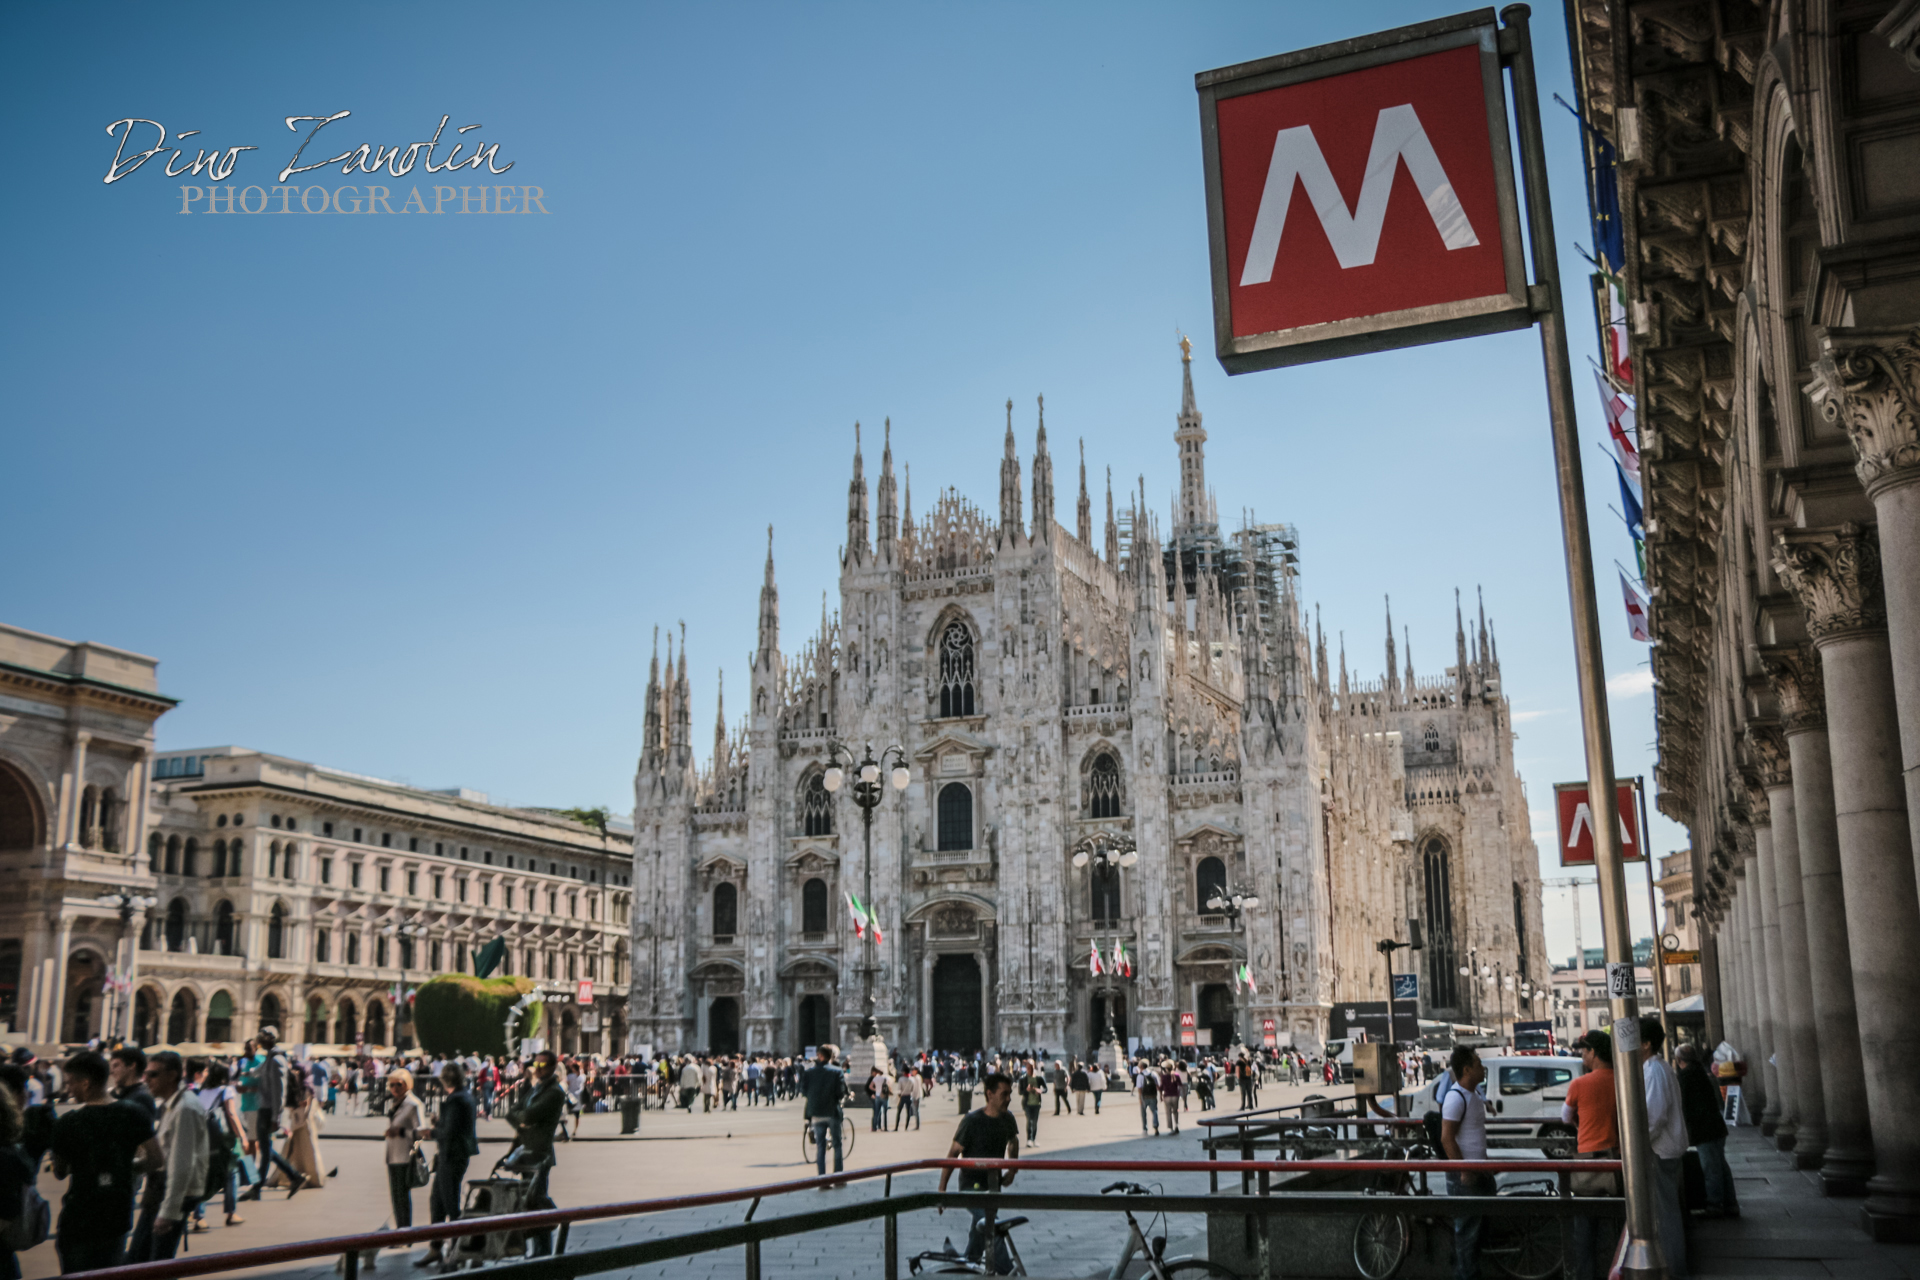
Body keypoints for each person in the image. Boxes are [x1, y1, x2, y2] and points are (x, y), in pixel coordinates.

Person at [50, 1052, 161, 1275]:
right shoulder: (133, 1112)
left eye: (71, 1082)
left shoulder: (69, 1122)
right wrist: (124, 1168)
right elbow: (155, 1158)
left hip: (79, 1217)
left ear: (86, 1083)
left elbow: (60, 1172)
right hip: (116, 1215)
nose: (69, 1089)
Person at [129, 1051, 209, 1263]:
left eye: (153, 1075)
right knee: (142, 1260)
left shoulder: (185, 1108)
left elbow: (181, 1164)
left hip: (169, 1194)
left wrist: (169, 1211)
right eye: (146, 1074)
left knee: (154, 1262)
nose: (146, 1080)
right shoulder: (170, 1105)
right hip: (158, 1190)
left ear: (173, 1075)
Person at [937, 1072, 1020, 1275]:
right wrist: (942, 1190)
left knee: (978, 1237)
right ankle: (1008, 1272)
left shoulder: (1008, 1118)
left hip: (993, 1187)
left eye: (1010, 1094)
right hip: (971, 1187)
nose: (1008, 1099)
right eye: (1004, 1094)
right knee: (992, 1225)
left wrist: (1012, 1169)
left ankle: (962, 1265)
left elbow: (1014, 1141)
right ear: (989, 1094)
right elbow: (953, 1154)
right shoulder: (971, 1121)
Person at [1561, 1031, 1620, 1280]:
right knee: (1619, 1224)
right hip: (1616, 1161)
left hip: (1586, 1162)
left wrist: (1580, 1121)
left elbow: (1565, 1116)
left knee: (1584, 1231)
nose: (1581, 1054)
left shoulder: (1579, 1084)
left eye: (1583, 1050)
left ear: (1593, 1052)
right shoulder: (1621, 1080)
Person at [1638, 1017, 1689, 1279]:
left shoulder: (1654, 1071)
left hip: (1660, 1150)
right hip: (1665, 1148)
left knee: (1666, 1215)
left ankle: (1674, 1269)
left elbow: (1654, 1116)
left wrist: (1638, 1144)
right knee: (1667, 1212)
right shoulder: (1657, 1069)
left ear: (1646, 1044)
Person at [417, 1062, 480, 1269]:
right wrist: (440, 1123)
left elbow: (449, 1132)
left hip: (451, 1156)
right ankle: (436, 1248)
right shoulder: (466, 1096)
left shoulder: (455, 1100)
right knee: (437, 1201)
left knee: (450, 1204)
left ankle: (457, 1250)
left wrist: (430, 1132)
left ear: (445, 1080)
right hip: (455, 1155)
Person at [1438, 1046, 1490, 1280]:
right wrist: (1464, 1170)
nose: (1483, 1068)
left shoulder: (1474, 1092)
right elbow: (1447, 1137)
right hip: (1465, 1175)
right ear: (1467, 1069)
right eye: (1478, 1064)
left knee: (1475, 1230)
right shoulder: (1455, 1097)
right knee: (1467, 1231)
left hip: (1478, 1170)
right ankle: (1465, 1275)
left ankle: (1471, 1271)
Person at [238, 1028, 308, 1201]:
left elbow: (280, 1092)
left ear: (271, 1039)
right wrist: (243, 1074)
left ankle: (258, 1186)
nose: (260, 1042)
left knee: (265, 1150)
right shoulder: (270, 1057)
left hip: (268, 1109)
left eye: (262, 1039)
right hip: (263, 1107)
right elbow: (258, 1071)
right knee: (266, 1149)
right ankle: (294, 1177)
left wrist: (276, 1118)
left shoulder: (277, 1060)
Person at [511, 1051, 568, 1256]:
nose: (538, 1068)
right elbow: (512, 1112)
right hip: (525, 1152)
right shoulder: (536, 1089)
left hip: (540, 1154)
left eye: (543, 1064)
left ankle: (543, 1250)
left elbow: (528, 1114)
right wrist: (523, 1120)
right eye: (536, 1064)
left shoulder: (554, 1092)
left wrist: (524, 1119)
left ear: (553, 1067)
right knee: (530, 1203)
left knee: (537, 1202)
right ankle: (537, 1249)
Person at [1676, 1043, 1735, 1218]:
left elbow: (1684, 1105)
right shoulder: (1701, 1072)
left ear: (1680, 1060)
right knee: (1721, 1166)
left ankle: (1715, 1205)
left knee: (1711, 1169)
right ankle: (1731, 1204)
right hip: (1716, 1126)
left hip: (1704, 1129)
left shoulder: (1685, 1076)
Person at [190, 1061, 247, 1232]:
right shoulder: (226, 1090)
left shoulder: (201, 1091)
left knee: (205, 1174)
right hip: (223, 1137)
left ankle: (199, 1217)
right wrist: (242, 1136)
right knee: (231, 1173)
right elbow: (231, 1114)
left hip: (204, 1136)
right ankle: (231, 1213)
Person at [383, 1068, 424, 1231]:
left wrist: (401, 1132)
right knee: (396, 1197)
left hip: (405, 1156)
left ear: (407, 1084)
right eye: (391, 1085)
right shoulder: (396, 1103)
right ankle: (401, 1230)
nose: (394, 1088)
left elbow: (420, 1132)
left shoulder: (413, 1104)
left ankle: (404, 1233)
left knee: (402, 1197)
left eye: (399, 1085)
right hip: (392, 1156)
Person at [801, 1045, 847, 1182]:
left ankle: (822, 1179)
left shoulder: (809, 1072)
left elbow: (804, 1092)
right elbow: (840, 1092)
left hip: (815, 1113)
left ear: (820, 1056)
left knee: (820, 1146)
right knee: (837, 1145)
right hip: (832, 1112)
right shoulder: (837, 1071)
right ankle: (838, 1177)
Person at [109, 1046, 156, 1123]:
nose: (111, 1071)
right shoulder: (121, 1094)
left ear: (132, 1066)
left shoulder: (142, 1098)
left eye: (116, 1065)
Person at [1019, 1065, 1045, 1145]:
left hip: (1037, 1103)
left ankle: (1034, 1139)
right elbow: (1020, 1092)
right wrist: (1027, 1090)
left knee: (1035, 1122)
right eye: (1029, 1068)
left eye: (1032, 1068)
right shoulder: (1023, 1079)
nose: (1031, 1070)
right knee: (1029, 1121)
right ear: (1027, 1069)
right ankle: (1029, 1139)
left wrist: (1040, 1090)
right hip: (1027, 1103)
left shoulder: (1039, 1078)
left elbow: (1045, 1088)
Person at [1135, 1060, 1160, 1135]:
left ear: (1142, 1066)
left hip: (1144, 1096)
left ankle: (1145, 1129)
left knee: (1143, 1113)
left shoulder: (1140, 1076)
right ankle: (1156, 1128)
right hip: (1153, 1095)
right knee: (1154, 1111)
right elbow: (1158, 1085)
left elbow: (1139, 1088)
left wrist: (1140, 1098)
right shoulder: (1154, 1073)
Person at [895, 1065, 922, 1131]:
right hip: (909, 1096)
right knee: (908, 1112)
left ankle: (896, 1127)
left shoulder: (901, 1079)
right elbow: (913, 1088)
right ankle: (906, 1127)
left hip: (903, 1096)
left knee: (899, 1112)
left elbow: (899, 1089)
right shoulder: (912, 1079)